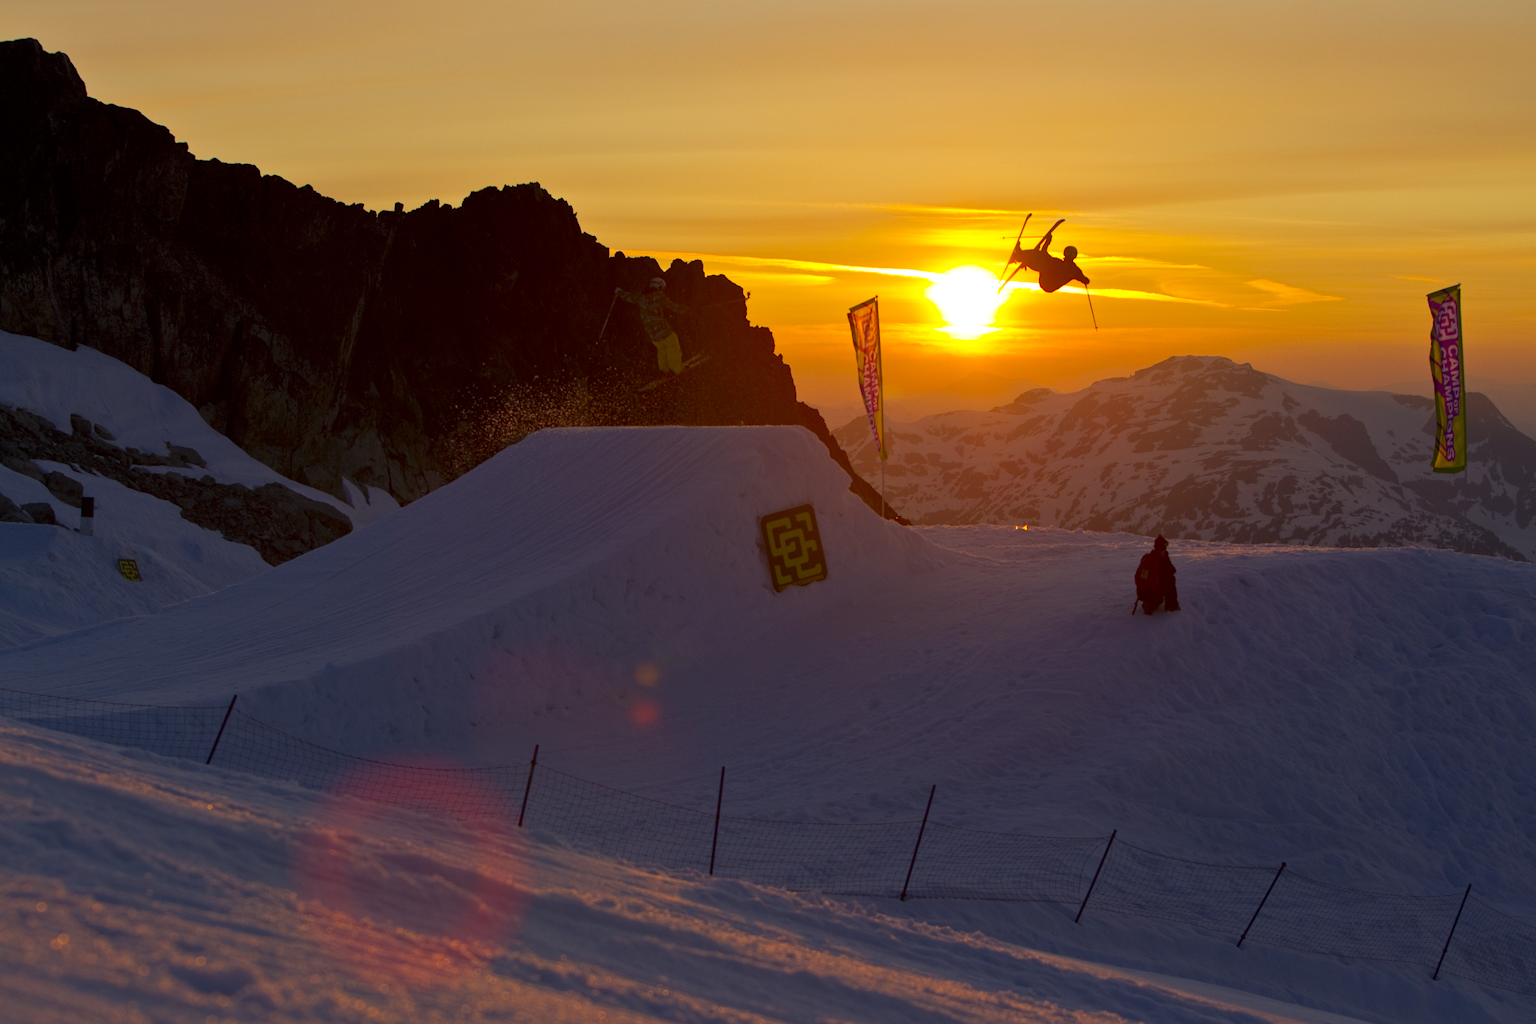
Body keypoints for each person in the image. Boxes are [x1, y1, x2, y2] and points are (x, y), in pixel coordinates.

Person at [615, 277, 689, 375]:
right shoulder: (659, 295)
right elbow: (672, 306)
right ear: (659, 286)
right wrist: (687, 310)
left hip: (652, 334)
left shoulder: (641, 297)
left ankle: (664, 370)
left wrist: (619, 292)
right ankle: (676, 369)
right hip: (662, 329)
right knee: (673, 343)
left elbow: (629, 296)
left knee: (662, 348)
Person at [1009, 221, 1090, 294]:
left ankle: (1019, 256)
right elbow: (1044, 254)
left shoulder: (1071, 268)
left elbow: (1084, 279)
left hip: (1050, 284)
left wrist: (1047, 242)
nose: (1069, 255)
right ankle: (1019, 256)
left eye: (1070, 253)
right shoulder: (1061, 264)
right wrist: (1047, 242)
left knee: (1042, 259)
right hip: (1047, 281)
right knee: (1040, 256)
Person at [1134, 535, 1181, 614]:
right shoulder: (1161, 560)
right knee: (1171, 579)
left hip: (1142, 592)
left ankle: (1149, 602)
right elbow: (1172, 570)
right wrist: (1166, 557)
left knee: (1162, 579)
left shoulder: (1146, 557)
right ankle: (1171, 606)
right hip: (1154, 590)